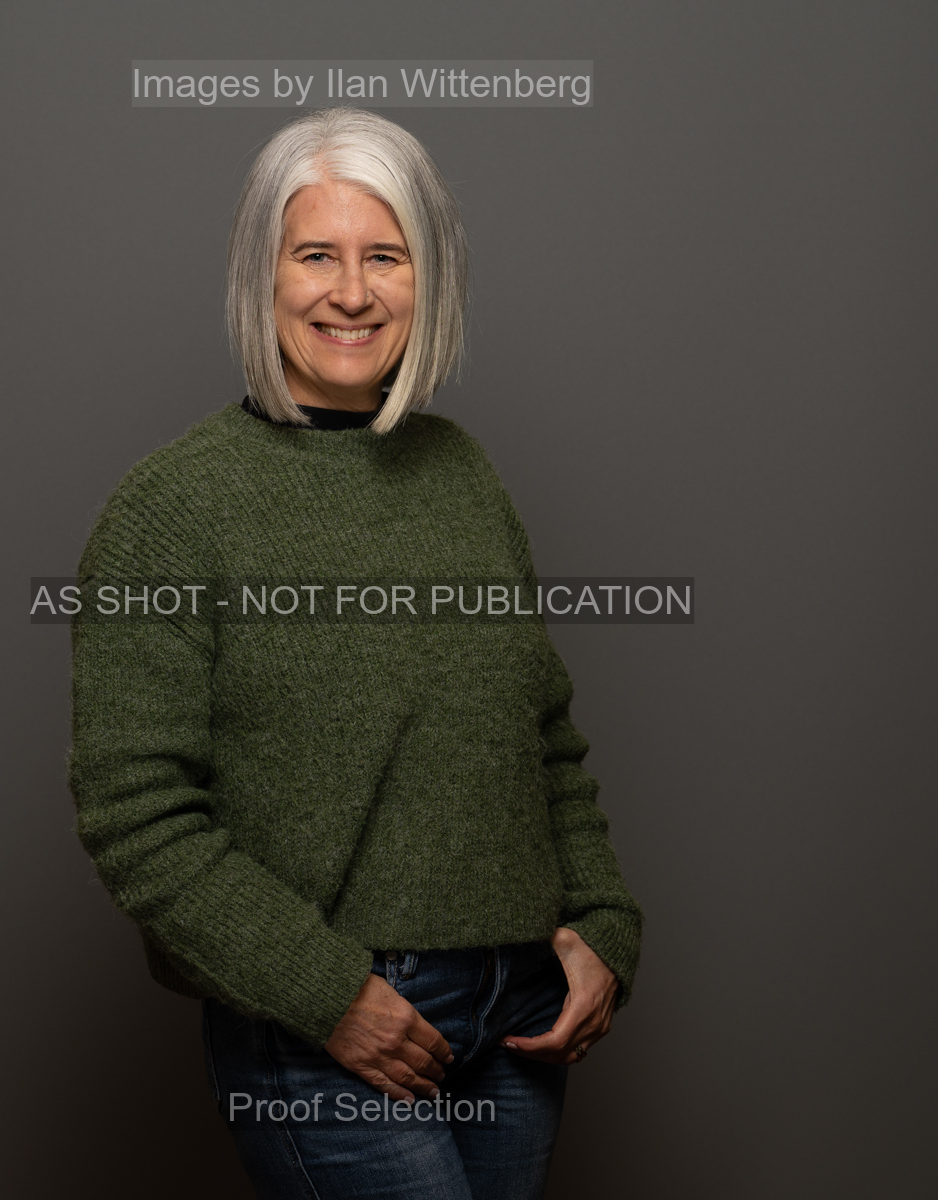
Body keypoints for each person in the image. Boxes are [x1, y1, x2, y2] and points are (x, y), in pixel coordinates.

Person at [68, 106, 643, 1200]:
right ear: (261, 273)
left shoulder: (463, 476)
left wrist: (603, 922)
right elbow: (135, 813)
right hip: (325, 1023)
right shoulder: (172, 509)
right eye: (316, 255)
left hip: (519, 1014)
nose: (352, 292)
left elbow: (545, 740)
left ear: (431, 279)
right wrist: (326, 992)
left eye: (387, 256)